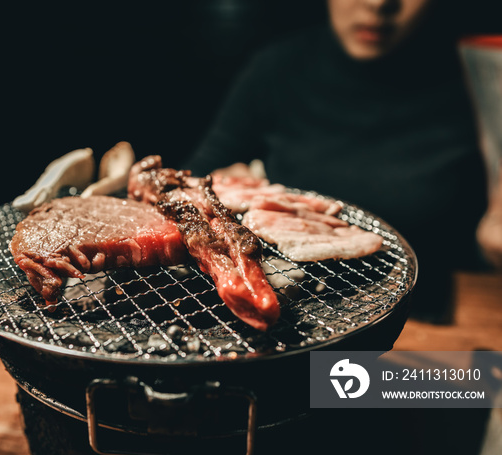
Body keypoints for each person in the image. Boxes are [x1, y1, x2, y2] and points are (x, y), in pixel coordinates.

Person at [183, 0, 502, 323]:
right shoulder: (278, 68)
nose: (379, 4)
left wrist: (489, 246)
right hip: (296, 316)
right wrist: (225, 185)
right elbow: (196, 175)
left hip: (431, 321)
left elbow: (480, 230)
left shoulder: (481, 81)